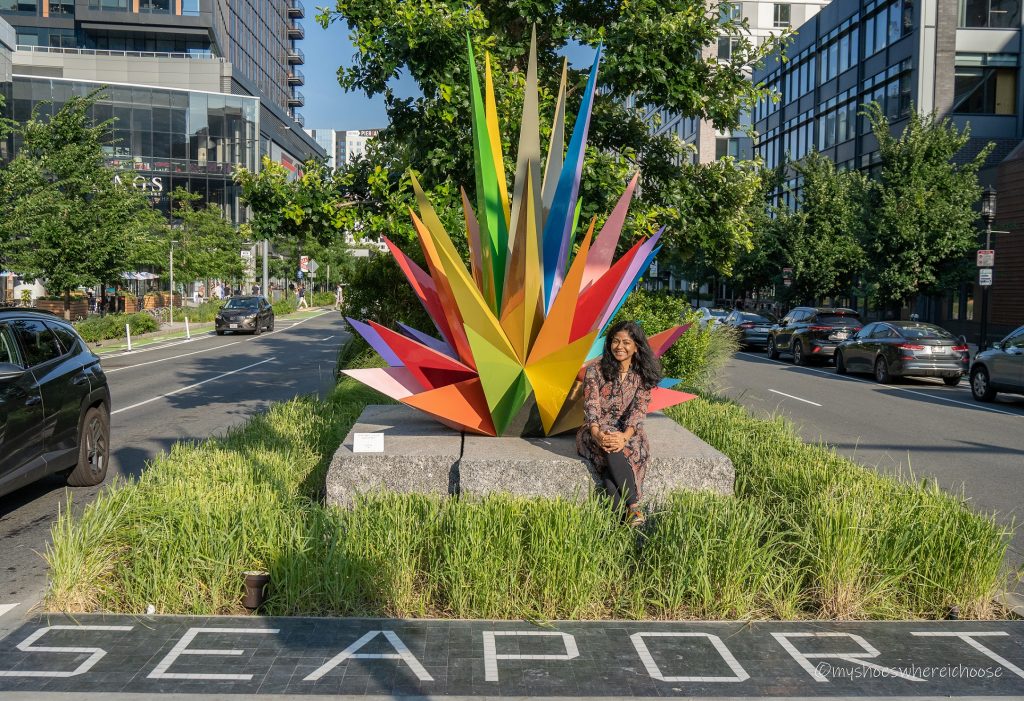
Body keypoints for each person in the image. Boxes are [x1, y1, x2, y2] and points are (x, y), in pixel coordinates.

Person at [576, 320, 661, 527]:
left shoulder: (642, 374)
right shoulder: (595, 370)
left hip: (629, 432)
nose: (619, 347)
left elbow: (639, 411)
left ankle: (621, 524)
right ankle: (634, 506)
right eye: (615, 341)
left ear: (636, 346)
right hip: (595, 431)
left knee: (610, 466)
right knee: (610, 444)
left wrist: (624, 436)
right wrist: (597, 433)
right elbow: (592, 406)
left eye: (625, 342)